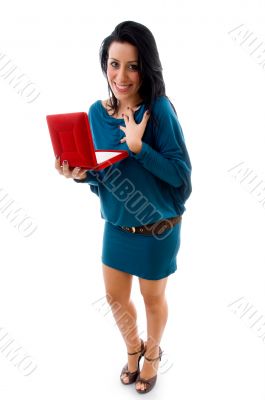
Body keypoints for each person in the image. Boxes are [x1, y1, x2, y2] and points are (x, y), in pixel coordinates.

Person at [55, 20, 192, 394]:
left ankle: (152, 354)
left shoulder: (159, 111)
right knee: (115, 299)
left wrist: (139, 147)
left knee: (152, 298)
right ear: (105, 66)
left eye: (132, 66)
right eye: (114, 64)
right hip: (117, 226)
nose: (122, 75)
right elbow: (105, 176)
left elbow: (181, 177)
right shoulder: (96, 114)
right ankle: (133, 348)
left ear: (145, 68)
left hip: (157, 230)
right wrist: (80, 174)